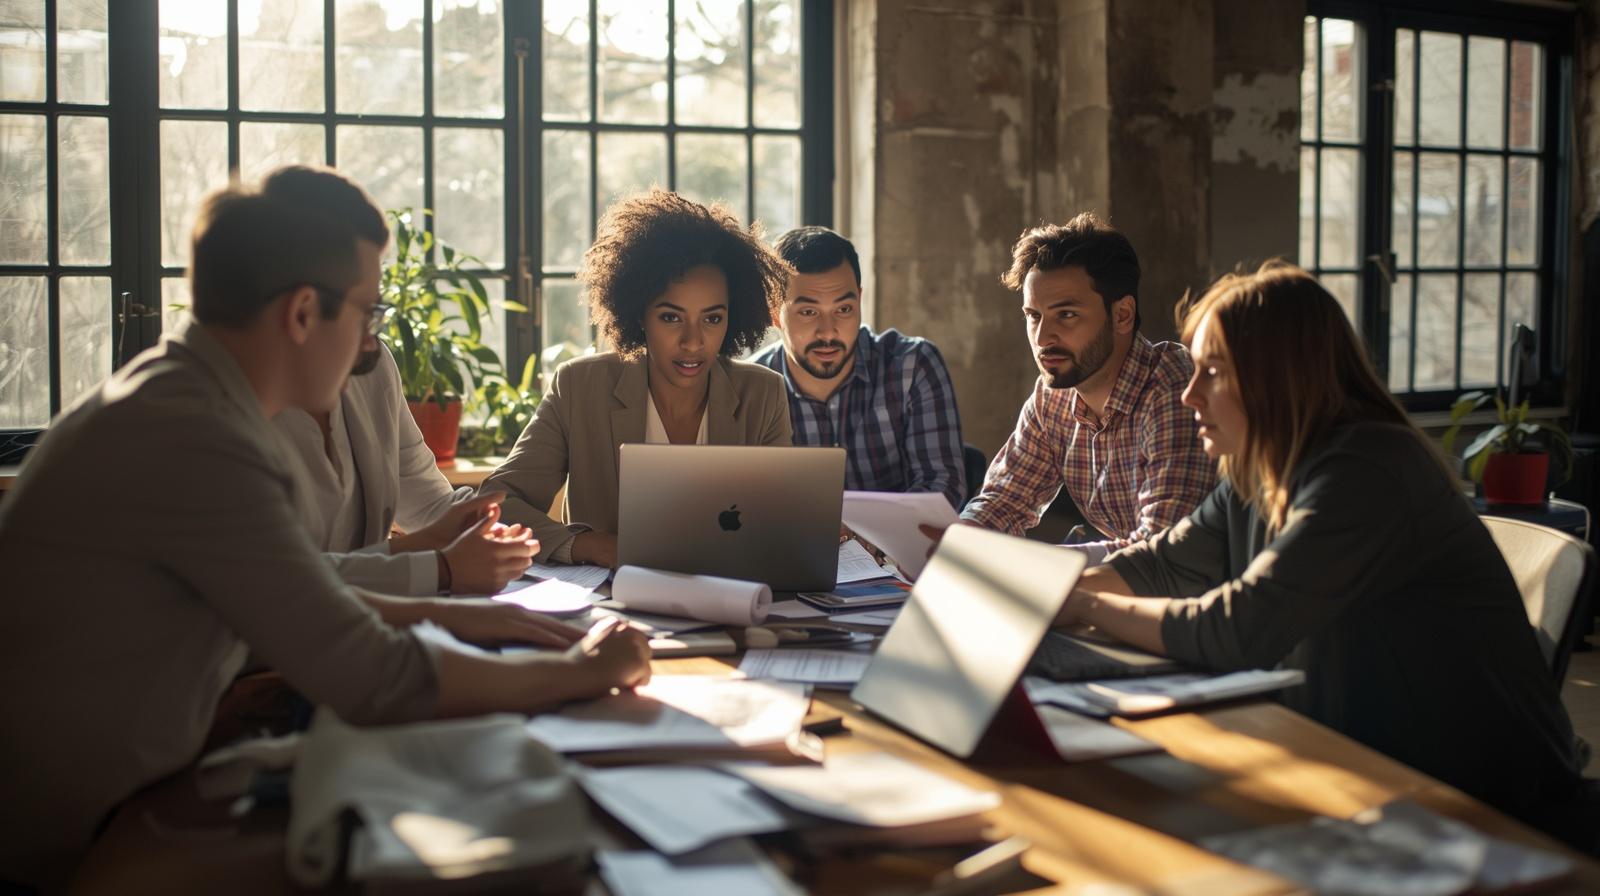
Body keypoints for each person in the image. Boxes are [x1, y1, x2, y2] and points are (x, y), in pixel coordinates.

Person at [0, 166, 650, 887]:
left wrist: (462, 616)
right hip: (63, 841)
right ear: (304, 314)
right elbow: (372, 675)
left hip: (121, 792)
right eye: (367, 312)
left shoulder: (183, 398)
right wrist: (581, 672)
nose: (371, 341)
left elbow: (295, 583)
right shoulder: (195, 437)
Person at [1056, 261, 1591, 843]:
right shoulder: (1258, 469)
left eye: (1212, 372)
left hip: (1477, 806)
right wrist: (1055, 589)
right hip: (1365, 770)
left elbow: (1239, 627)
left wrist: (1084, 606)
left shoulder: (1366, 469)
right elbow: (1160, 565)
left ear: (1279, 376)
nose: (1189, 395)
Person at [482, 189, 793, 569]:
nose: (693, 341)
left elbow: (783, 524)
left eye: (712, 318)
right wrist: (593, 546)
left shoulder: (762, 394)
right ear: (638, 314)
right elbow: (498, 503)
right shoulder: (580, 387)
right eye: (670, 317)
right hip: (612, 608)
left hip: (728, 599)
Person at [960, 213, 1214, 562]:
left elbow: (1163, 548)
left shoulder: (1174, 390)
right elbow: (1005, 500)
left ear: (1123, 315)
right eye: (1034, 316)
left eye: (1066, 315)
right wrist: (957, 539)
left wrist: (1046, 566)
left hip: (1205, 597)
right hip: (1124, 588)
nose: (1043, 337)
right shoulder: (1052, 397)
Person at [273, 321, 535, 596]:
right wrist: (440, 566)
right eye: (367, 311)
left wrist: (484, 529)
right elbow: (275, 580)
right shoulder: (240, 407)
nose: (376, 338)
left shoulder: (373, 365)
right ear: (303, 310)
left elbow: (428, 501)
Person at [751, 226, 966, 509]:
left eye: (843, 309)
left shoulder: (912, 365)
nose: (828, 332)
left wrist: (865, 542)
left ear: (859, 299)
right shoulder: (751, 388)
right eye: (808, 312)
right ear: (773, 313)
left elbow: (942, 487)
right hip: (794, 551)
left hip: (893, 550)